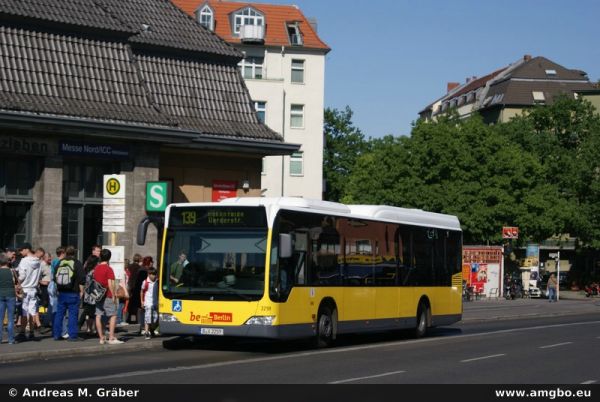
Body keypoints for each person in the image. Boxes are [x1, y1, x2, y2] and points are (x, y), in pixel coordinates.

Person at [53, 246, 86, 341]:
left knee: (59, 314)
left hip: (61, 293)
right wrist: (81, 289)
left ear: (66, 253)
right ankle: (72, 336)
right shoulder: (76, 263)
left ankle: (56, 335)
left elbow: (54, 277)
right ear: (74, 253)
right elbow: (82, 279)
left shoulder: (60, 263)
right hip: (73, 292)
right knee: (72, 315)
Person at [93, 249, 123, 345]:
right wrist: (113, 294)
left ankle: (101, 338)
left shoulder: (96, 268)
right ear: (109, 258)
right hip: (107, 295)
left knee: (98, 315)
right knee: (113, 315)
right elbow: (110, 284)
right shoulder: (108, 269)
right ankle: (111, 337)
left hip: (98, 295)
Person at [17, 243, 42, 340]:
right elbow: (39, 276)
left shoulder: (24, 261)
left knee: (24, 311)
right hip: (33, 289)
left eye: (22, 250)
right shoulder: (38, 261)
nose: (20, 252)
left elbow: (22, 276)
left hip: (25, 289)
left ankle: (23, 332)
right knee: (32, 311)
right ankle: (31, 332)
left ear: (27, 250)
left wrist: (17, 282)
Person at [79, 255, 99, 335]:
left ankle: (89, 329)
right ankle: (80, 324)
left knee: (90, 312)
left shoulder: (87, 270)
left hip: (88, 293)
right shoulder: (93, 272)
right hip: (92, 294)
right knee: (88, 311)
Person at [0, 253, 17, 344]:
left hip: (0, 295)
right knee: (10, 318)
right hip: (11, 295)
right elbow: (17, 282)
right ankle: (11, 340)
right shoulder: (12, 271)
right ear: (7, 261)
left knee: (0, 318)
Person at [141, 268, 158, 339]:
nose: (153, 276)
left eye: (154, 274)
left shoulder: (157, 282)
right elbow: (141, 291)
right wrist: (142, 301)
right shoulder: (145, 282)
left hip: (155, 302)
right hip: (147, 302)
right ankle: (146, 332)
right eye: (152, 274)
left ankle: (151, 329)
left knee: (155, 318)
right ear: (149, 274)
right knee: (147, 317)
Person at [126, 254, 142, 323]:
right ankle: (136, 319)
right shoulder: (140, 268)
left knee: (130, 302)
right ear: (139, 260)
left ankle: (128, 318)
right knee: (136, 303)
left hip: (130, 286)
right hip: (137, 287)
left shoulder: (129, 266)